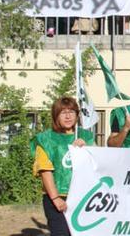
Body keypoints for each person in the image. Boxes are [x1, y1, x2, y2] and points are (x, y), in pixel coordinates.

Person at [31, 97, 94, 236]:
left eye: (71, 111)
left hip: (83, 197)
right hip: (58, 198)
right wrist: (55, 198)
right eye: (63, 112)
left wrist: (87, 149)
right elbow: (45, 171)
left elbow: (97, 165)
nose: (68, 116)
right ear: (55, 115)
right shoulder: (46, 139)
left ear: (77, 115)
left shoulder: (86, 137)